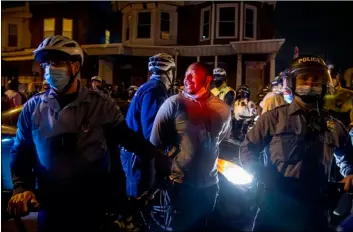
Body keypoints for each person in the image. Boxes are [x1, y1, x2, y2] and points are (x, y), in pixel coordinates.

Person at [7, 35, 172, 232]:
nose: (49, 69)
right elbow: (21, 152)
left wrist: (158, 156)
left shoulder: (100, 104)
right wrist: (21, 188)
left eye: (57, 62)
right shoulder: (33, 107)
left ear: (75, 67)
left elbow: (128, 138)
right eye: (46, 64)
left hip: (93, 208)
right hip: (51, 207)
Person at [240, 55, 353, 231]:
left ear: (324, 84)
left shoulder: (333, 125)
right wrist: (261, 176)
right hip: (275, 207)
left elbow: (348, 157)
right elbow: (248, 148)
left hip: (315, 211)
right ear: (292, 83)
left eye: (315, 79)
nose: (310, 83)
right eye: (304, 79)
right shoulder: (273, 118)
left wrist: (349, 176)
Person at [150, 62, 231, 231]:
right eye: (185, 74)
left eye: (192, 74)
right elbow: (155, 143)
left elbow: (220, 138)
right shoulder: (173, 104)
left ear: (207, 79)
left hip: (210, 186)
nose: (186, 78)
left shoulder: (223, 109)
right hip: (180, 186)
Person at [121, 53, 176, 199]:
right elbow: (152, 131)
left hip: (136, 151)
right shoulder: (156, 90)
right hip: (139, 155)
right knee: (141, 199)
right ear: (170, 72)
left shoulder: (149, 86)